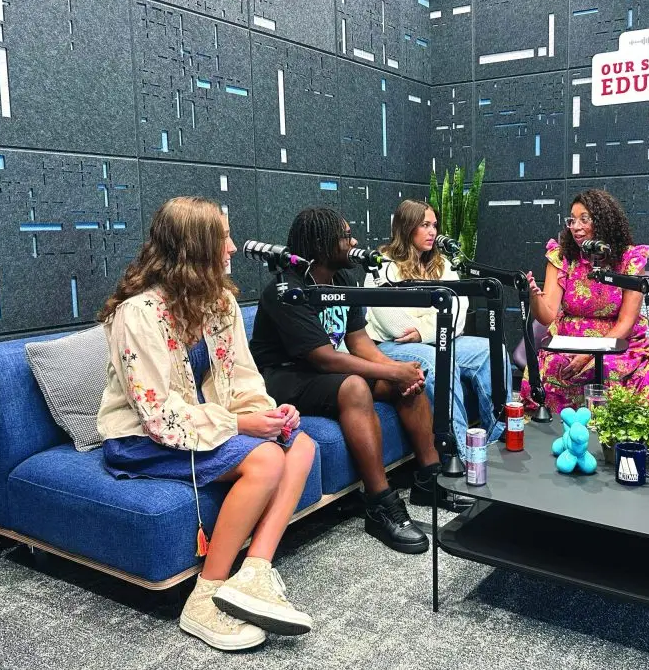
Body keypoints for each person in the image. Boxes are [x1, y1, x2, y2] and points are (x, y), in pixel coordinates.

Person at [96, 196, 314, 651]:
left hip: (205, 425)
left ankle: (252, 575)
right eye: (224, 238)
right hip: (142, 438)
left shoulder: (220, 305)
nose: (233, 248)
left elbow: (243, 377)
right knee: (268, 461)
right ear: (194, 248)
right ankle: (206, 594)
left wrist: (268, 413)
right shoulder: (137, 314)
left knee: (305, 444)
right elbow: (156, 414)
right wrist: (242, 427)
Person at [249, 207, 470, 556]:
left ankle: (430, 478)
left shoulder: (342, 281)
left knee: (404, 381)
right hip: (283, 376)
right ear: (321, 244)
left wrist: (400, 372)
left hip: (323, 371)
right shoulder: (286, 289)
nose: (353, 242)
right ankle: (380, 504)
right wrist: (389, 371)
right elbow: (323, 356)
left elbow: (359, 341)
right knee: (354, 385)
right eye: (345, 236)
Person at [363, 199, 513, 458]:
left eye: (434, 225)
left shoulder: (442, 264)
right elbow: (397, 326)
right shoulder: (382, 265)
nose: (433, 232)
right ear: (406, 227)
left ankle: (501, 440)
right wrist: (432, 324)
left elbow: (458, 310)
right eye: (424, 225)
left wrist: (425, 330)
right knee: (437, 359)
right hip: (391, 347)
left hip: (435, 339)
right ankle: (461, 456)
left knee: (492, 350)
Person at [522, 189, 649, 413]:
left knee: (607, 369)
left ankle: (611, 438)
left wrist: (589, 354)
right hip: (569, 340)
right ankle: (553, 434)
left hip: (615, 341)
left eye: (584, 219)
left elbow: (626, 322)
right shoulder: (561, 257)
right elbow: (547, 315)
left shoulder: (629, 259)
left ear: (603, 222)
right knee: (554, 367)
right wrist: (533, 296)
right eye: (572, 220)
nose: (575, 227)